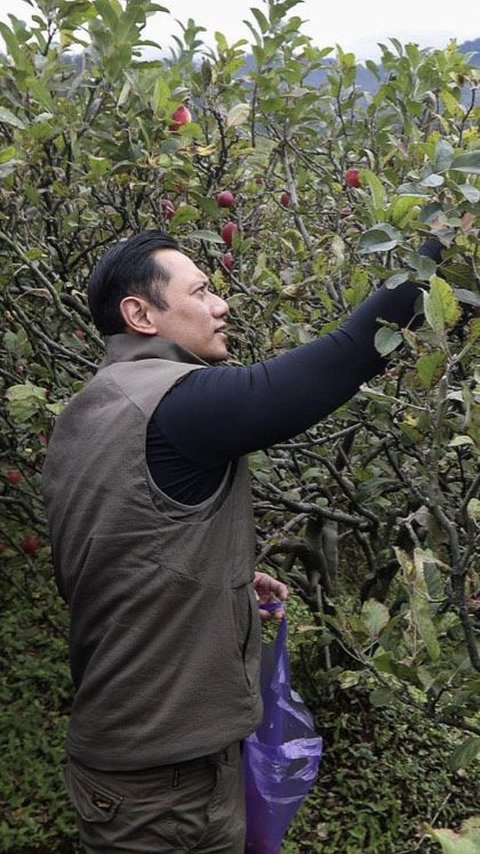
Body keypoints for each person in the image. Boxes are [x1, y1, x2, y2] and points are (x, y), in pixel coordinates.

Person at [42, 230, 441, 853]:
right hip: (163, 785)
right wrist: (440, 245)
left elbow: (123, 541)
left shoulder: (91, 409)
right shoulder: (171, 405)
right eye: (200, 291)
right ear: (140, 314)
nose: (221, 304)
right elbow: (339, 359)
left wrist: (216, 580)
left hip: (134, 758)